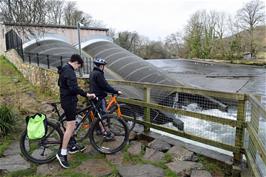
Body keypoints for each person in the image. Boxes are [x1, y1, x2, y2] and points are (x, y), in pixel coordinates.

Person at [56, 54, 95, 169]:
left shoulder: (64, 69)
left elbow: (60, 84)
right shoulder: (70, 71)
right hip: (69, 102)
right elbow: (73, 88)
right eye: (79, 66)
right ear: (76, 62)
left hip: (66, 100)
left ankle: (72, 145)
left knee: (71, 126)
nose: (78, 68)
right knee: (70, 128)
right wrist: (86, 94)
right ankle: (62, 154)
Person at [89, 57, 122, 138]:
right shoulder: (99, 74)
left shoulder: (92, 72)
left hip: (94, 96)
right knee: (102, 115)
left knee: (97, 114)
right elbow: (105, 86)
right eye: (104, 66)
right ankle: (105, 133)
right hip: (99, 97)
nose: (104, 67)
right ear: (101, 66)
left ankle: (98, 130)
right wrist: (116, 91)